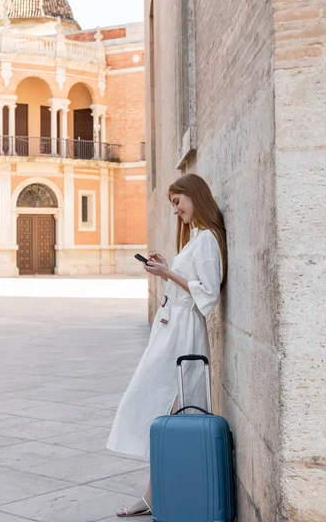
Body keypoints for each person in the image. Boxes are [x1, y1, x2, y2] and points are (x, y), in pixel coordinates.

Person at [106, 173, 227, 518]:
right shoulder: (196, 238)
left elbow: (208, 291)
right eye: (172, 204)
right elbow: (189, 283)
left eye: (178, 202)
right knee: (156, 405)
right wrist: (167, 268)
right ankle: (155, 493)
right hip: (172, 327)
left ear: (194, 196)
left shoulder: (206, 239)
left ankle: (155, 495)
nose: (175, 210)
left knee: (171, 408)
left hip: (184, 330)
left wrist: (168, 274)